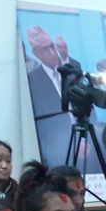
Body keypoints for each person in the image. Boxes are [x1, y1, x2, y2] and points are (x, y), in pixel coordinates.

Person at [25, 26, 73, 167]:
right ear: (36, 53)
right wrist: (68, 141)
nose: (52, 52)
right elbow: (45, 126)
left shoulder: (72, 72)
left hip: (87, 141)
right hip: (59, 151)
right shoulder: (33, 81)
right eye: (45, 49)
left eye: (52, 46)